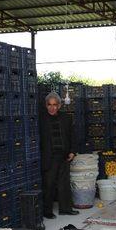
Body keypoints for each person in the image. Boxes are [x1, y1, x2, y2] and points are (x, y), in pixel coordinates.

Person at [40, 91, 79, 219]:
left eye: (55, 105)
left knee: (64, 183)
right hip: (49, 157)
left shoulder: (66, 118)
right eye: (49, 105)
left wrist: (72, 151)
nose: (52, 107)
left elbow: (72, 136)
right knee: (49, 184)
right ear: (46, 105)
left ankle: (65, 208)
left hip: (64, 156)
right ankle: (47, 211)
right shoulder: (41, 119)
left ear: (59, 105)